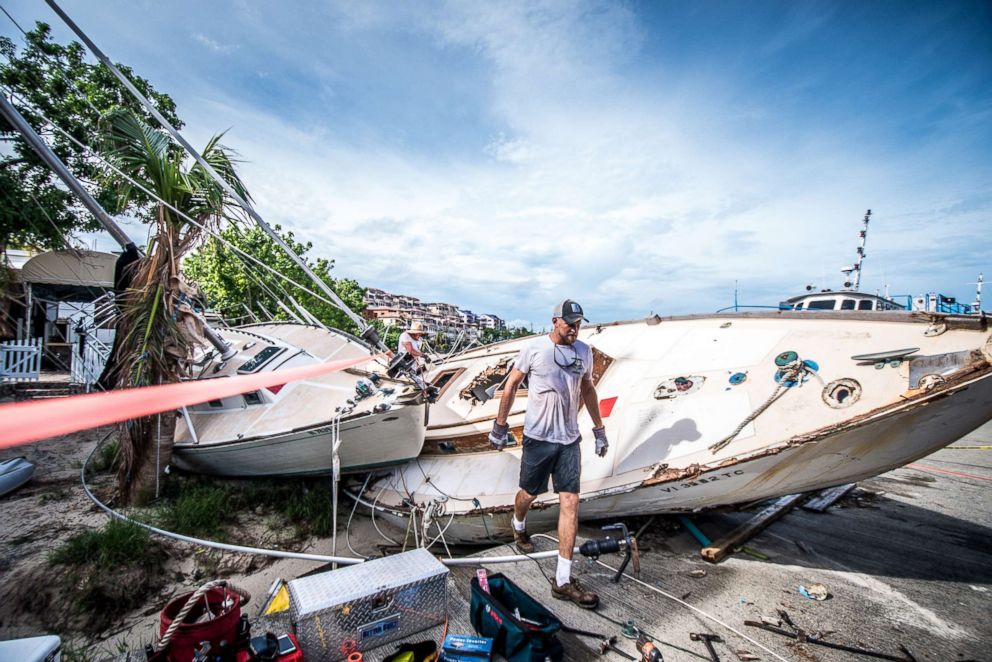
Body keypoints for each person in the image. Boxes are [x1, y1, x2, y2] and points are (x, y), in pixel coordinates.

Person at [489, 299, 609, 609]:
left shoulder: (584, 351)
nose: (574, 328)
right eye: (569, 322)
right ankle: (518, 524)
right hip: (538, 439)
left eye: (578, 323)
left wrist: (598, 429)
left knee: (570, 502)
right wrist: (500, 426)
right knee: (529, 493)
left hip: (569, 440)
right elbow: (512, 385)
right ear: (554, 321)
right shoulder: (534, 349)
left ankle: (563, 581)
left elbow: (588, 390)